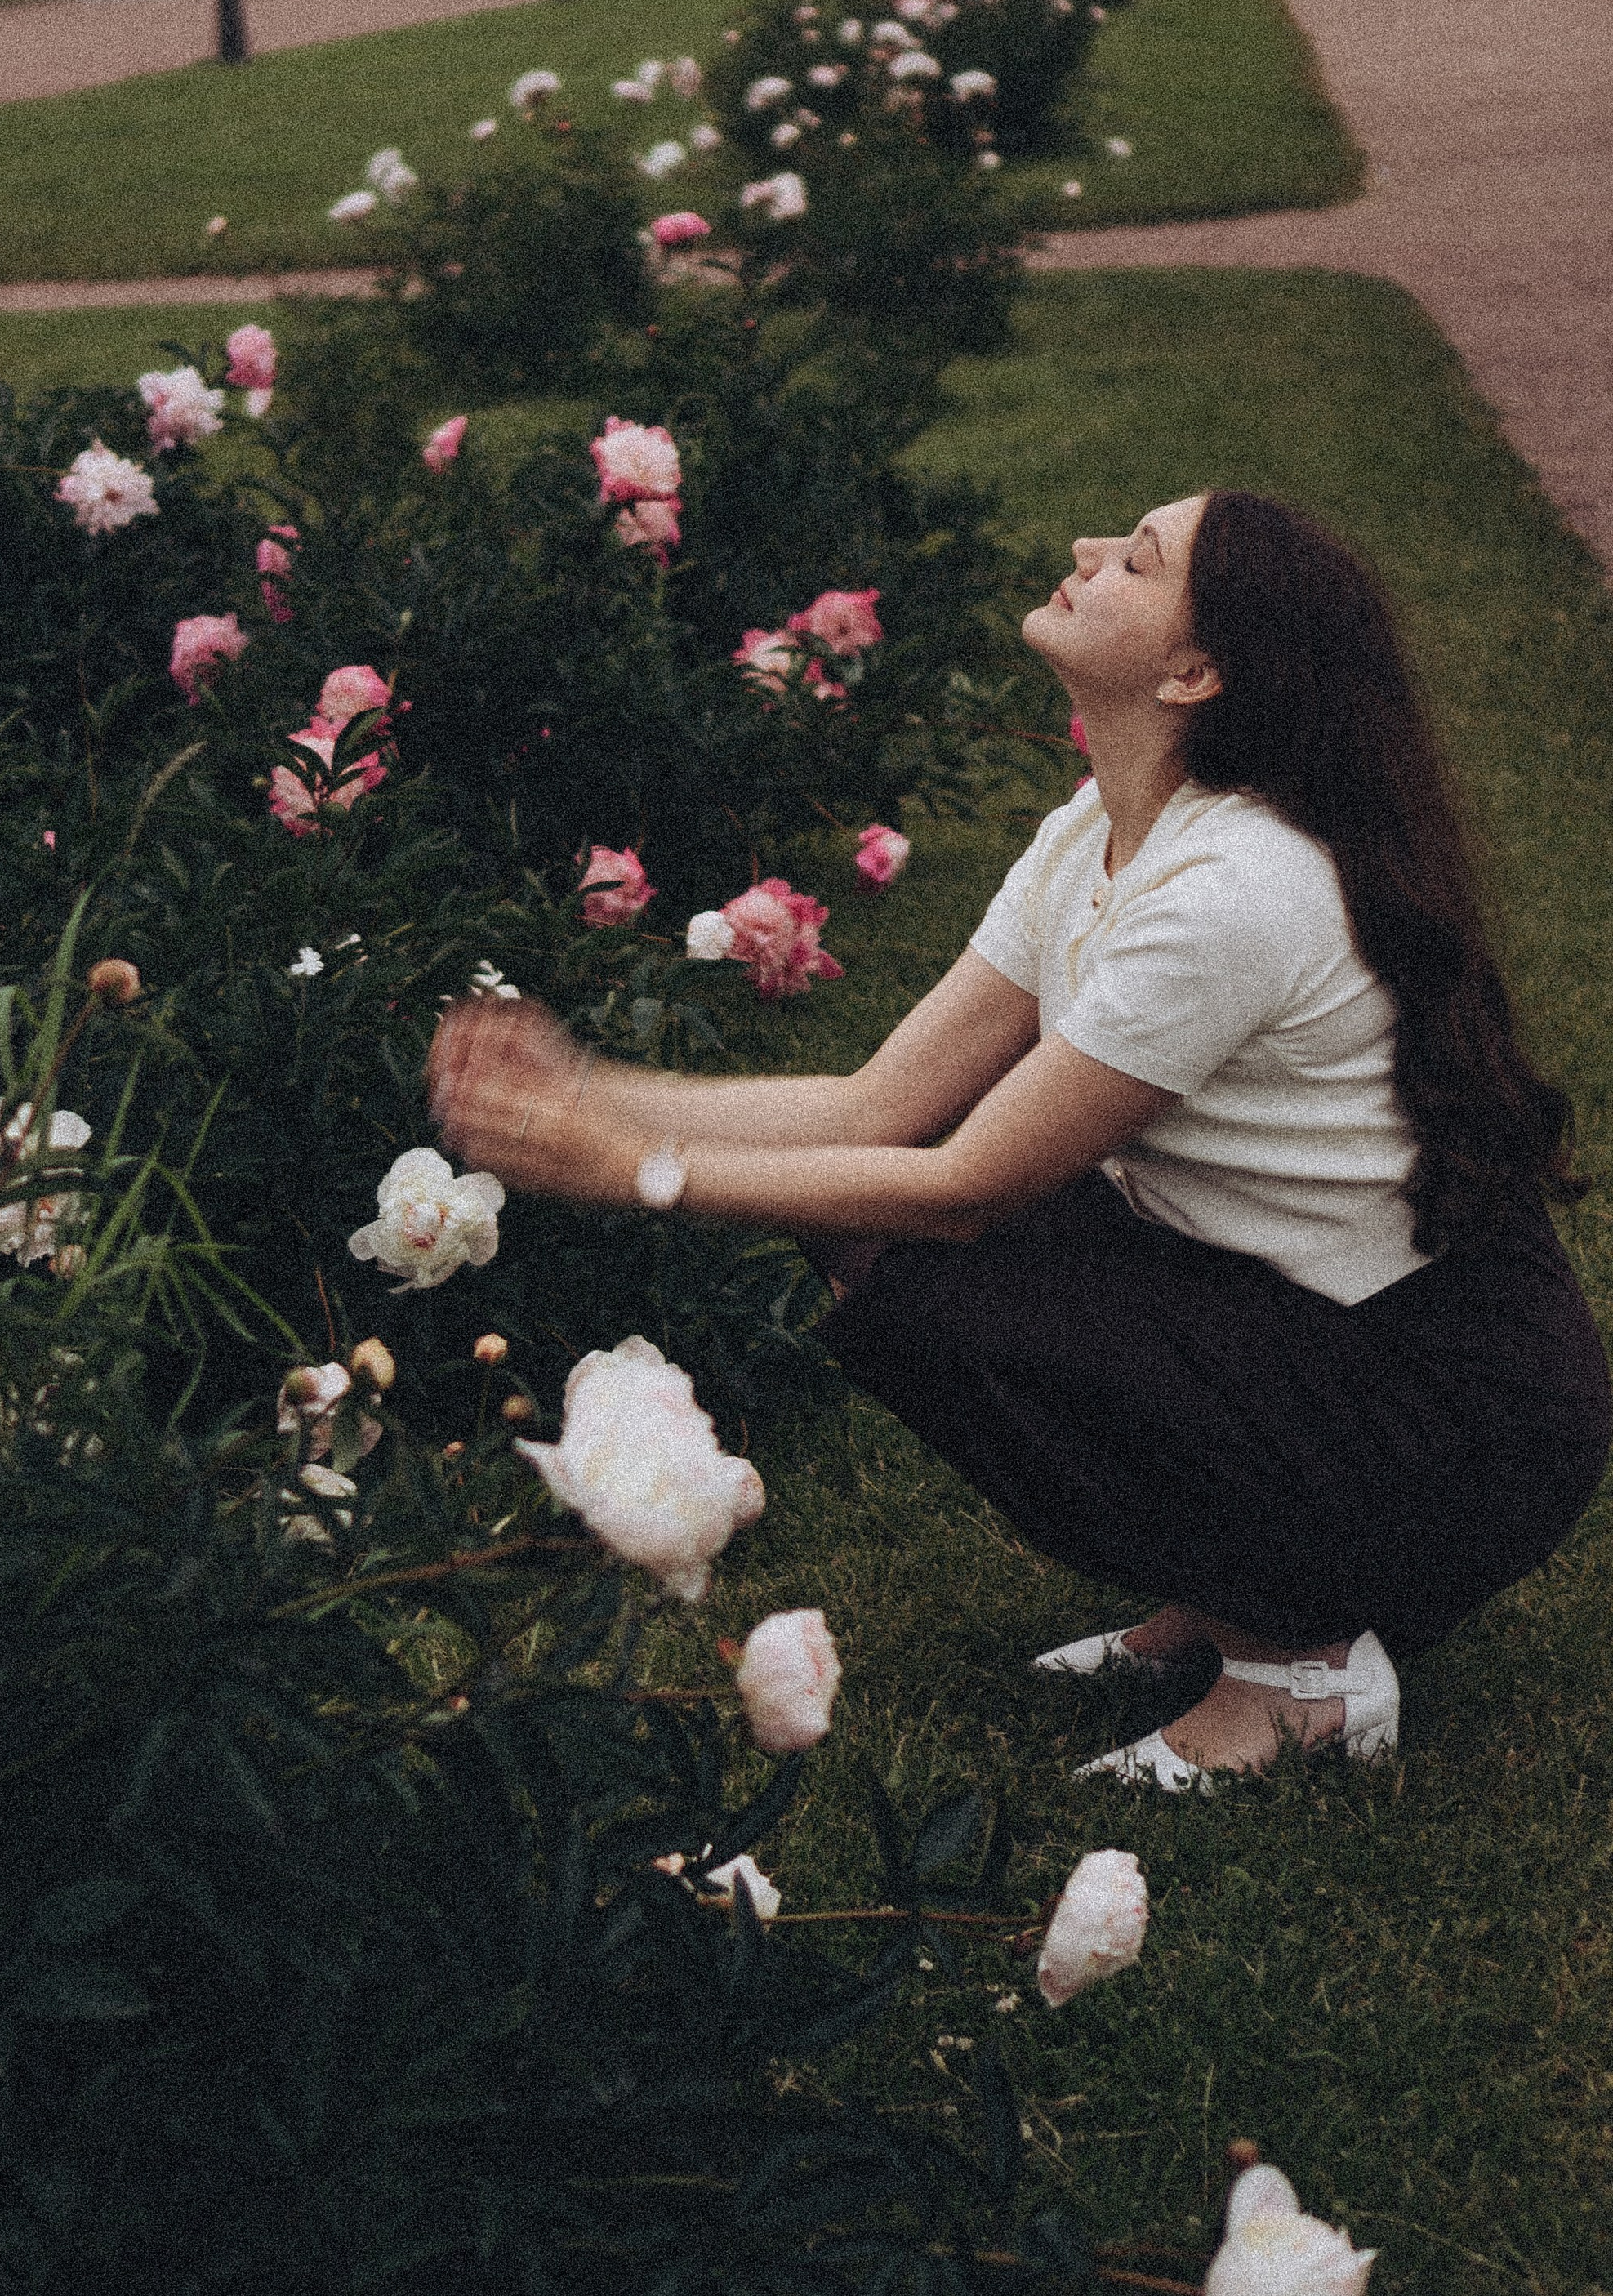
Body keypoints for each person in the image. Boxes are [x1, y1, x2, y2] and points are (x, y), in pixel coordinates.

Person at [428, 492, 1609, 1792]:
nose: (1087, 553)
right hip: (1334, 1339)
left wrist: (634, 1171)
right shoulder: (1097, 833)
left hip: (1457, 1420)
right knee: (868, 1215)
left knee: (934, 1271)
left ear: (1192, 671)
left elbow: (961, 1189)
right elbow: (877, 1107)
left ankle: (1300, 1669)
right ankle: (1236, 1592)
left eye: (1136, 560)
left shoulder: (1235, 893)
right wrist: (593, 1094)